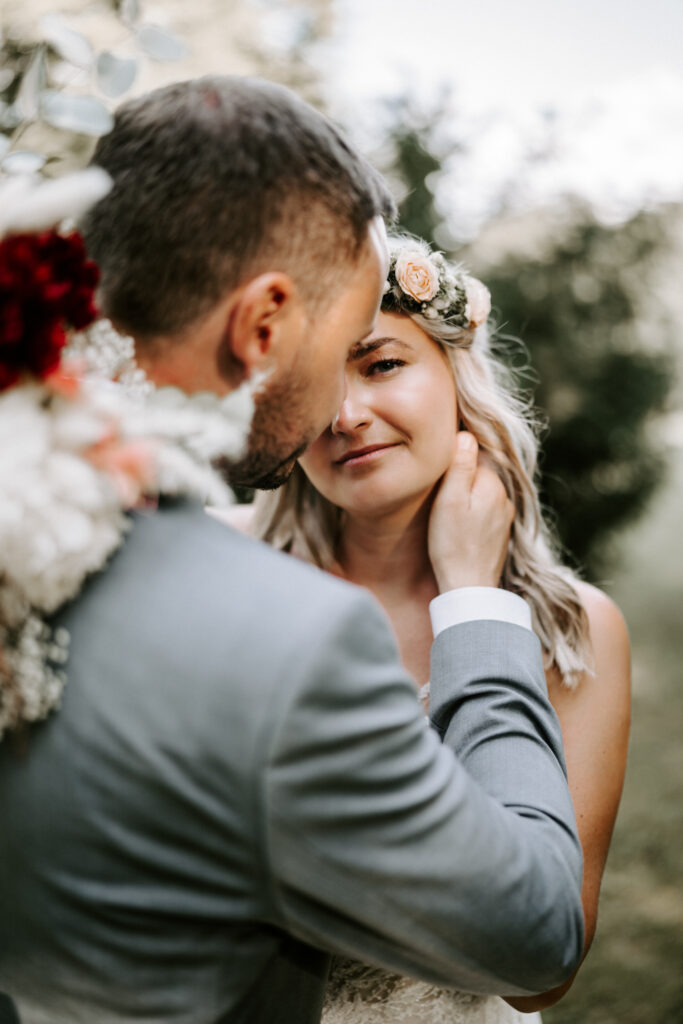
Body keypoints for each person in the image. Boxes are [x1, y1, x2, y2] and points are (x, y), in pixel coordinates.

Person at [0, 79, 584, 1024]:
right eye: (347, 339)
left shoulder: (27, 524)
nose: (342, 409)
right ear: (263, 324)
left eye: (381, 358)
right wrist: (477, 614)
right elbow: (536, 937)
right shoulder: (292, 644)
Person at [232, 234, 631, 1022]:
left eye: (381, 364)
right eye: (311, 381)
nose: (344, 414)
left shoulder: (571, 627)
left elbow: (539, 977)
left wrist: (469, 592)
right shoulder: (226, 578)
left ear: (455, 373)